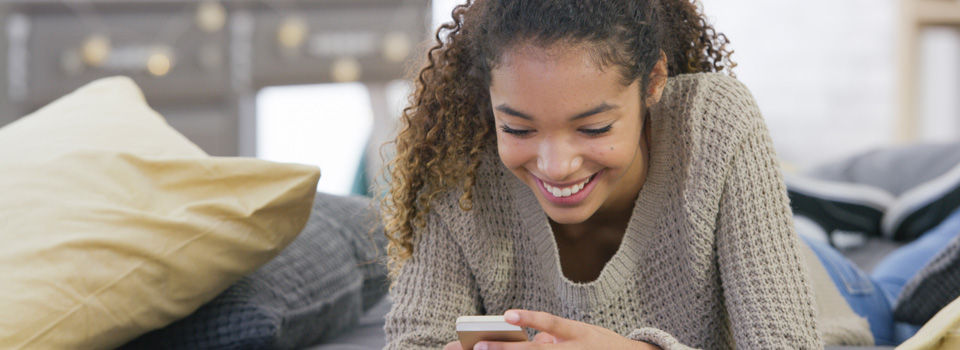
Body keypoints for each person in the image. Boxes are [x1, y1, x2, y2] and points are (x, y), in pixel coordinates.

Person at [379, 0, 874, 349]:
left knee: (911, 272)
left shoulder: (715, 121)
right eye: (518, 128)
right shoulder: (457, 159)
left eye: (593, 128)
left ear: (653, 81)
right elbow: (414, 338)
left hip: (832, 290)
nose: (556, 165)